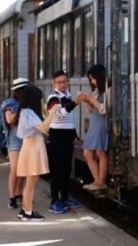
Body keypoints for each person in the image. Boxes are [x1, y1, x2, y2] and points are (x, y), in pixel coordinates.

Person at [15, 84, 61, 222]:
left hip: (32, 146)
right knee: (32, 181)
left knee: (31, 180)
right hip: (33, 147)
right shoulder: (28, 112)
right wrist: (53, 112)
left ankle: (25, 209)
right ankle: (27, 212)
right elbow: (44, 128)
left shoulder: (26, 112)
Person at [46, 70, 82, 214]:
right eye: (60, 82)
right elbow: (60, 114)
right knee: (58, 171)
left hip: (67, 137)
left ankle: (65, 198)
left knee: (67, 170)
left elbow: (69, 121)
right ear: (54, 84)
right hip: (56, 137)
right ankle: (54, 201)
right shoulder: (53, 98)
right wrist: (75, 103)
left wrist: (75, 135)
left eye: (65, 81)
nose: (63, 84)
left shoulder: (67, 96)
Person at [77, 64, 109, 192]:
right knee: (88, 152)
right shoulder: (96, 91)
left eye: (93, 78)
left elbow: (104, 109)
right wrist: (88, 102)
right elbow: (93, 110)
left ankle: (101, 181)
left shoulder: (108, 91)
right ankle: (97, 180)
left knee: (100, 152)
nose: (92, 81)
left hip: (101, 124)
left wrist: (91, 99)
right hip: (94, 123)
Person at [0, 78, 29, 209]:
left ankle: (18, 193)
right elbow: (10, 120)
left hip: (27, 138)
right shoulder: (10, 104)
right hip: (15, 139)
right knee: (15, 168)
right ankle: (12, 197)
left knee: (23, 169)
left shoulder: (31, 103)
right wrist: (21, 109)